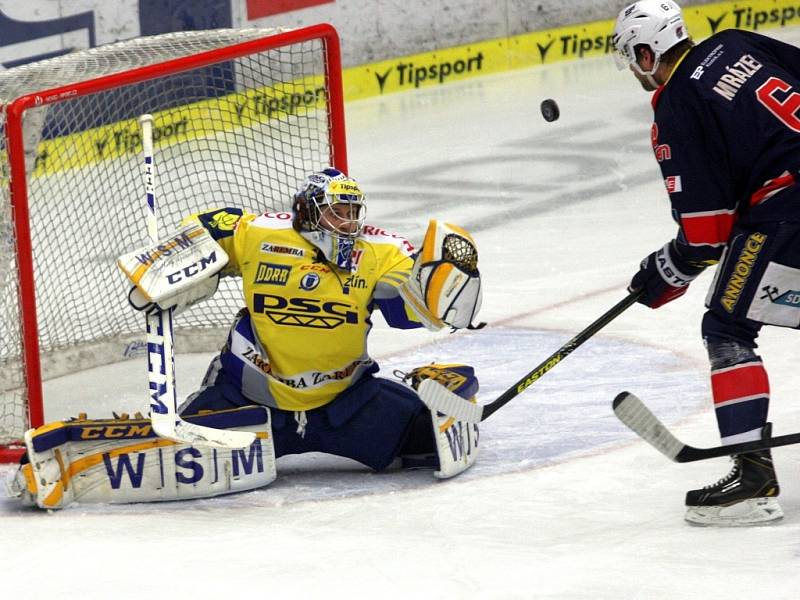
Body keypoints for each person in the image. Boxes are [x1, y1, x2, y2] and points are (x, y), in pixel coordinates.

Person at [7, 168, 483, 509]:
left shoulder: (378, 252)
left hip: (345, 401)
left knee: (427, 438)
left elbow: (412, 312)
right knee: (170, 455)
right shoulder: (258, 233)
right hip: (248, 395)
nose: (349, 224)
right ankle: (62, 470)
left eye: (354, 213)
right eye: (339, 212)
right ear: (311, 210)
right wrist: (170, 276)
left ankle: (435, 387)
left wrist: (441, 285)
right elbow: (200, 236)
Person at [612, 0, 800, 526]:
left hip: (788, 209)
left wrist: (664, 273)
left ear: (648, 53)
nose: (634, 70)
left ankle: (752, 481)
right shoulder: (737, 41)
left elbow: (707, 232)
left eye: (634, 58)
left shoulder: (677, 102)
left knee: (727, 326)